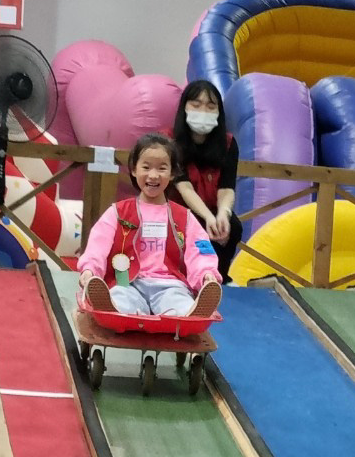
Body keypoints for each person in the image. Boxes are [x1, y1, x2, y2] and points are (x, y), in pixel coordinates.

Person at [78, 132, 222, 318]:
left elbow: (200, 248)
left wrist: (207, 274)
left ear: (172, 173)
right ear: (134, 169)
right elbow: (97, 245)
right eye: (146, 167)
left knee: (179, 302)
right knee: (120, 297)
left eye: (162, 168)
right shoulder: (118, 212)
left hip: (170, 284)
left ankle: (189, 313)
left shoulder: (184, 217)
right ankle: (114, 309)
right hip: (127, 281)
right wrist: (90, 270)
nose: (153, 175)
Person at [170, 79, 242, 283]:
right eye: (196, 104)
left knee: (232, 226)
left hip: (211, 208)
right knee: (199, 226)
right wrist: (208, 218)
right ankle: (185, 277)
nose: (203, 111)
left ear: (219, 112)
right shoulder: (170, 141)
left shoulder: (228, 144)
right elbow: (184, 187)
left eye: (211, 106)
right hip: (178, 211)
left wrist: (223, 214)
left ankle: (219, 277)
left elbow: (227, 187)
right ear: (184, 107)